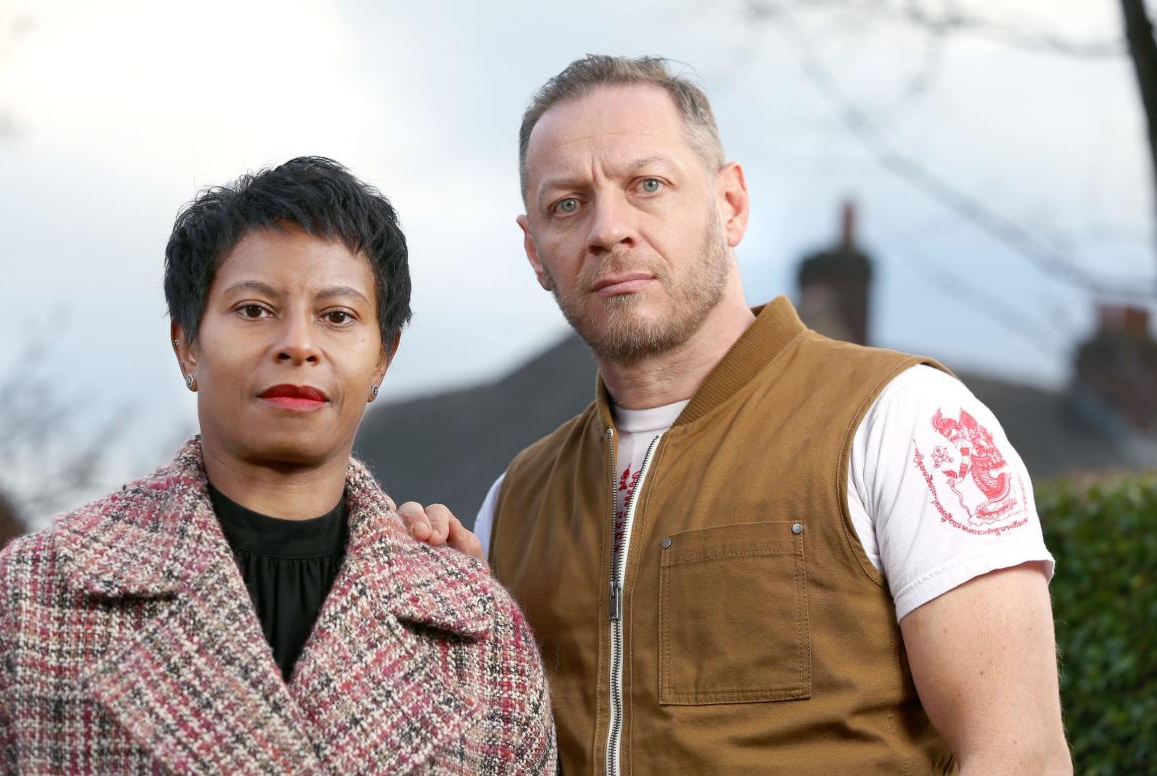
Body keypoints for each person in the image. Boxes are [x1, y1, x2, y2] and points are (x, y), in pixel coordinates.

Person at [400, 56, 1072, 774]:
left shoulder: (907, 420)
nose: (608, 228)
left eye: (647, 185)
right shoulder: (514, 499)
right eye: (566, 203)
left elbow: (1019, 755)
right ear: (535, 249)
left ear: (730, 205)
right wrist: (469, 636)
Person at [0, 156, 555, 774]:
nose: (298, 346)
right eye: (254, 310)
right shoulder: (36, 597)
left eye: (337, 316)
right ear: (187, 344)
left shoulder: (475, 632)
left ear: (382, 359)